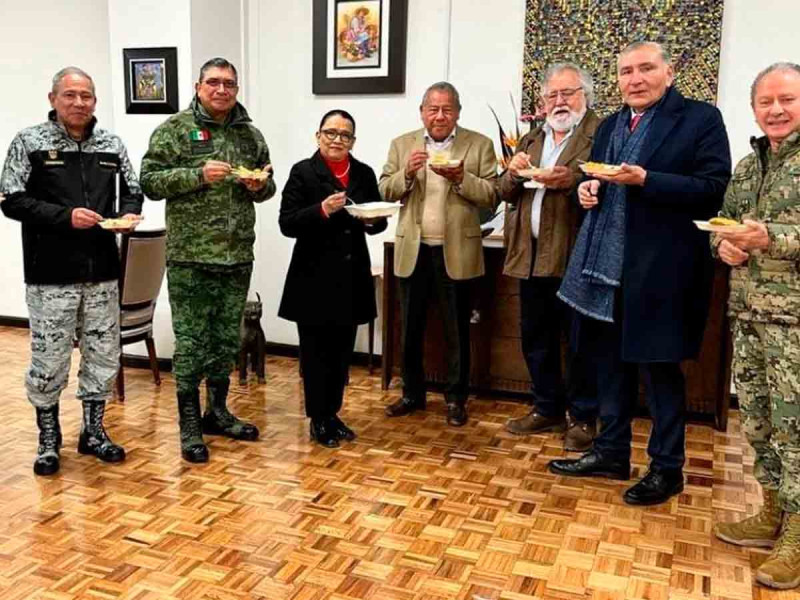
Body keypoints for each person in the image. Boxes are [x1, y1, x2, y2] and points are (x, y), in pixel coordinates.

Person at [549, 41, 732, 505]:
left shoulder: (700, 119)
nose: (636, 79)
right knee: (608, 365)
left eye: (646, 68)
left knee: (659, 372)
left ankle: (667, 469)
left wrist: (646, 179)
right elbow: (600, 181)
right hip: (606, 271)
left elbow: (713, 190)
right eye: (626, 71)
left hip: (663, 272)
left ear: (668, 73)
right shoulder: (611, 125)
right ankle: (611, 452)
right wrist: (588, 191)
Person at [0, 67, 143, 475]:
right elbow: (11, 199)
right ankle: (48, 439)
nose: (79, 103)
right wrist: (65, 217)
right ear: (53, 99)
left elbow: (133, 189)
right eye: (70, 95)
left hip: (102, 272)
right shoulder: (29, 142)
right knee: (49, 361)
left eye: (87, 96)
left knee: (102, 356)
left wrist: (129, 214)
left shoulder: (111, 144)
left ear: (95, 101)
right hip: (50, 275)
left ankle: (93, 432)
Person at [140, 57, 276, 463]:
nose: (222, 90)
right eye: (213, 82)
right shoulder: (175, 131)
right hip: (191, 258)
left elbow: (268, 185)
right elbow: (149, 181)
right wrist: (197, 174)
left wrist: (259, 185)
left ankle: (216, 411)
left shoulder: (250, 134)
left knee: (225, 341)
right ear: (198, 86)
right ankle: (189, 425)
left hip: (236, 257)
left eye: (229, 84)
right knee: (192, 343)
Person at [712, 62, 800, 590]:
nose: (776, 110)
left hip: (795, 321)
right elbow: (723, 221)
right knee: (760, 423)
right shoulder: (747, 167)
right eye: (766, 102)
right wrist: (721, 245)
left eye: (787, 99)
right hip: (748, 315)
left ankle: (798, 534)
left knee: (797, 431)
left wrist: (775, 240)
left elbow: (780, 235)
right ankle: (772, 511)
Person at [379, 82, 497, 427]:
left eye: (447, 109)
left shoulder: (479, 144)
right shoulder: (403, 145)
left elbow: (491, 194)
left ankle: (456, 398)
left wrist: (463, 178)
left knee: (456, 329)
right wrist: (407, 173)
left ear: (458, 112)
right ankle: (411, 394)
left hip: (456, 250)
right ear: (422, 112)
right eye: (433, 109)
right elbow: (385, 188)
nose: (440, 116)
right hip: (412, 249)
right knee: (409, 327)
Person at [498, 63, 600, 452]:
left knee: (580, 343)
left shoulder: (598, 134)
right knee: (535, 337)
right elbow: (505, 191)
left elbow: (602, 179)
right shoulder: (531, 138)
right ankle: (546, 407)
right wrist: (511, 171)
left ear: (584, 96)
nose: (559, 102)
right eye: (552, 96)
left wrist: (570, 179)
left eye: (567, 93)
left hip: (575, 257)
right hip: (530, 256)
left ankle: (584, 417)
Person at [278, 110, 387, 448]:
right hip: (313, 279)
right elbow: (287, 223)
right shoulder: (303, 172)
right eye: (331, 133)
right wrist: (322, 210)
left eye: (345, 135)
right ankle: (318, 419)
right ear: (318, 136)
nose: (337, 139)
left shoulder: (365, 173)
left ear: (353, 141)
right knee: (315, 354)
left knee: (341, 354)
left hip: (351, 276)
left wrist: (372, 222)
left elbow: (378, 219)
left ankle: (333, 413)